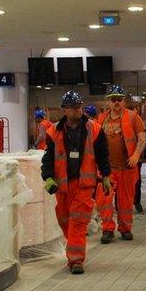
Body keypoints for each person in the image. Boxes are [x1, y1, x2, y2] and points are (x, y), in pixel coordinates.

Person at [41, 91, 111, 274]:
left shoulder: (94, 129)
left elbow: (103, 155)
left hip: (84, 184)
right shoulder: (53, 132)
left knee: (78, 222)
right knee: (65, 221)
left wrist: (105, 176)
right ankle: (73, 248)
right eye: (74, 107)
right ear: (65, 110)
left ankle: (76, 260)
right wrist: (47, 177)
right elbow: (48, 158)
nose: (78, 110)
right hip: (62, 186)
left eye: (79, 107)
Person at [94, 84, 146, 243]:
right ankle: (107, 229)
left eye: (119, 99)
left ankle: (125, 228)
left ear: (124, 101)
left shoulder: (132, 116)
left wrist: (136, 155)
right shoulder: (101, 118)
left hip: (127, 168)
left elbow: (142, 137)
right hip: (107, 170)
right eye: (113, 99)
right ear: (108, 102)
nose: (116, 102)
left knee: (125, 201)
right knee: (104, 201)